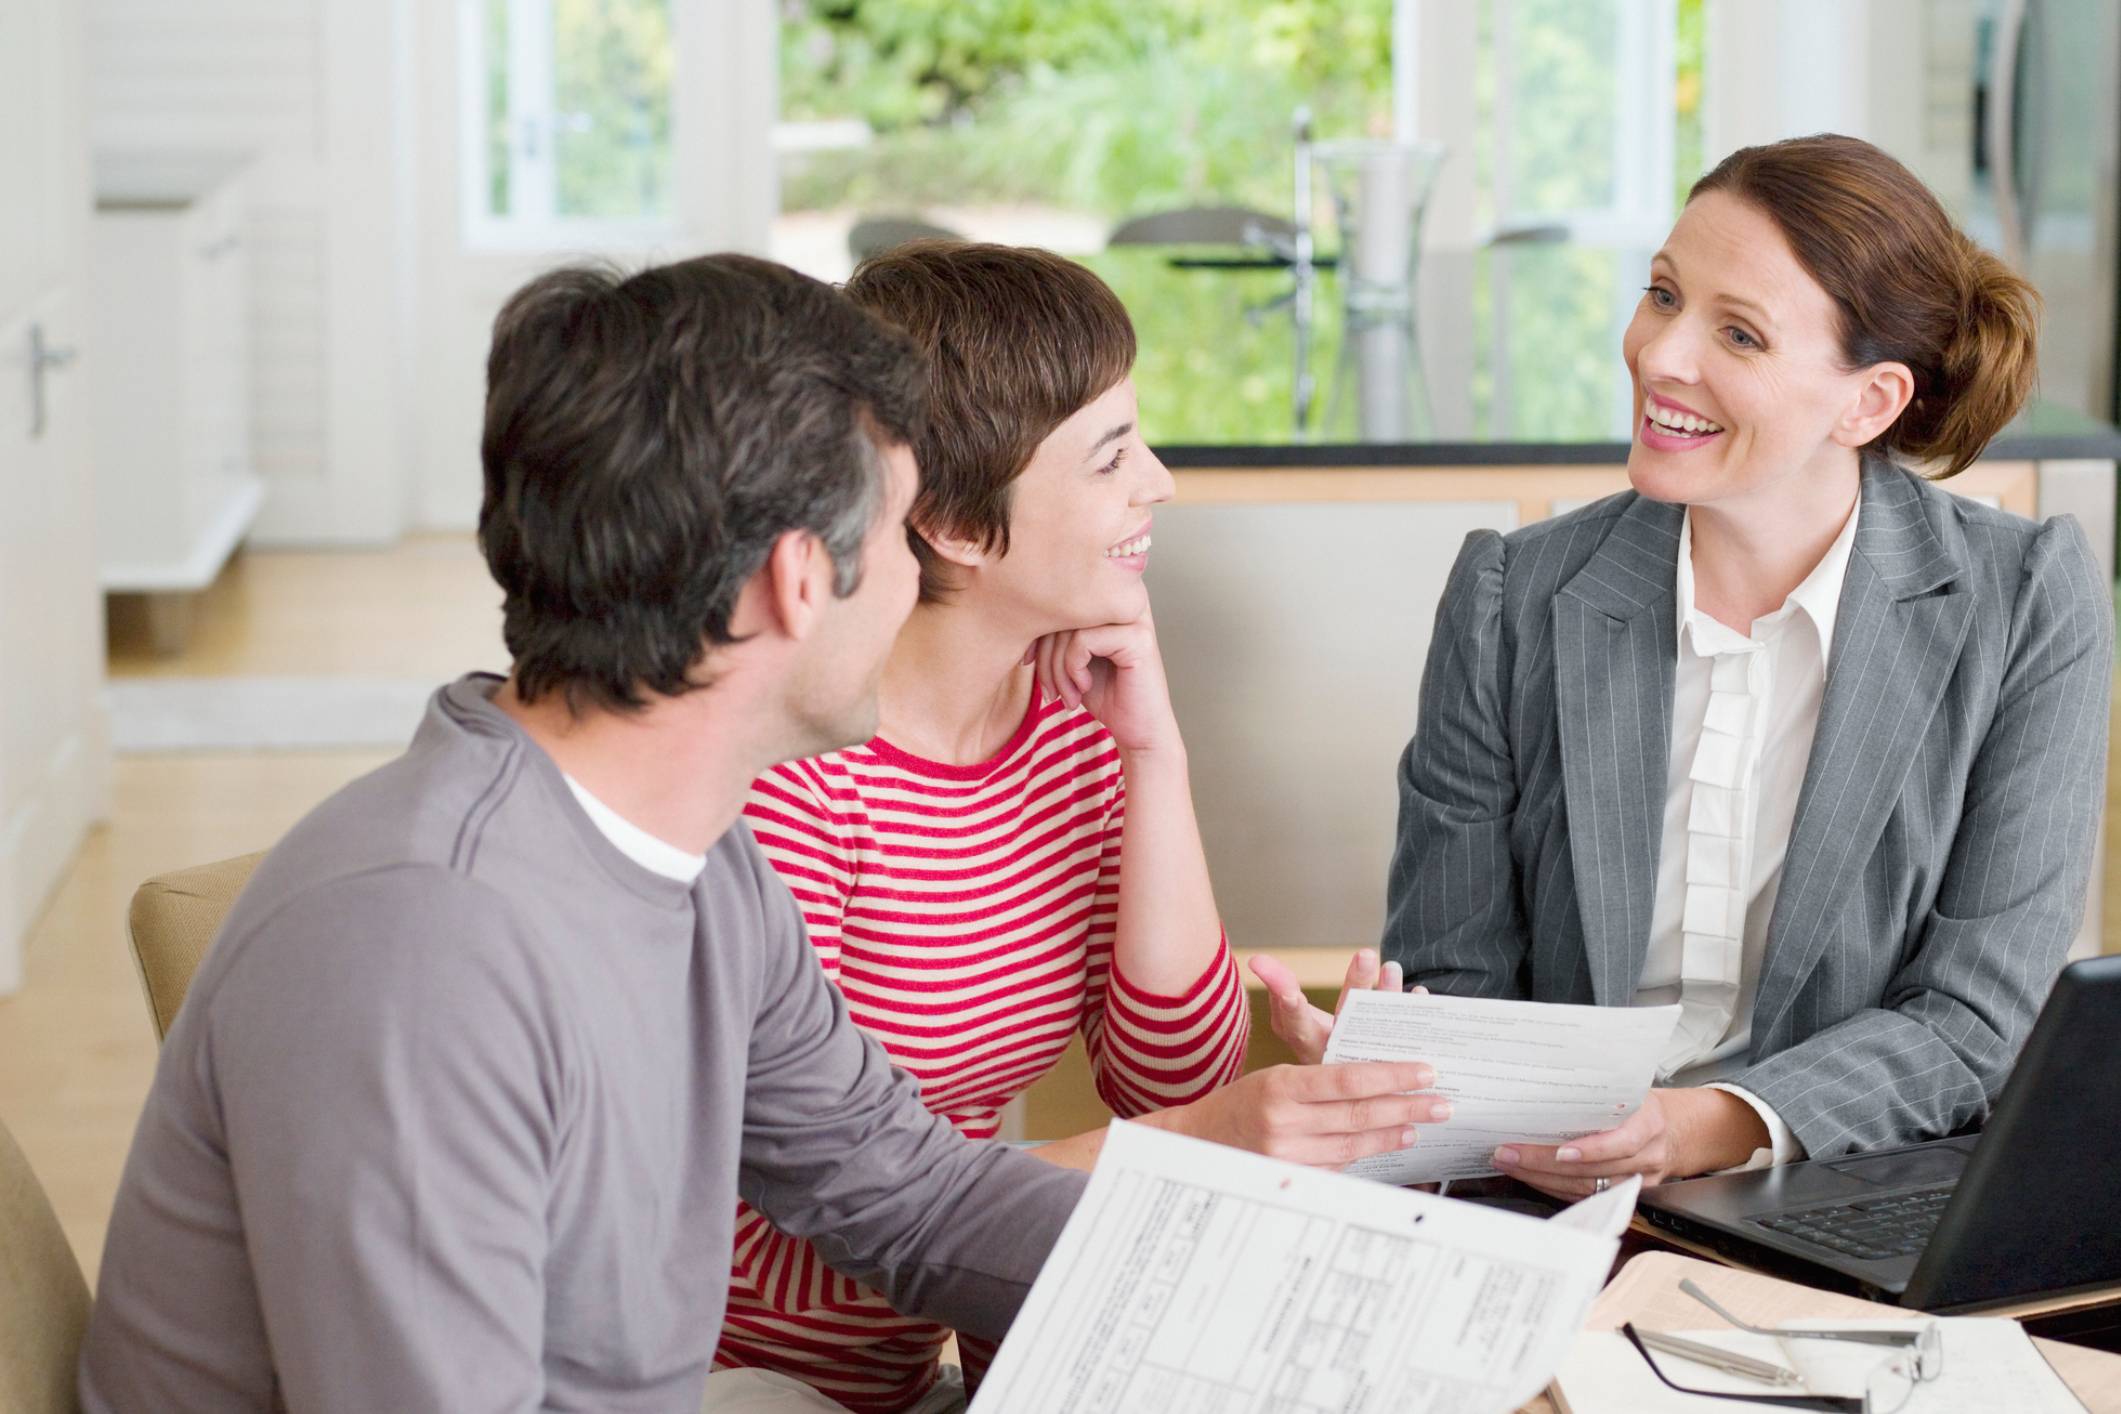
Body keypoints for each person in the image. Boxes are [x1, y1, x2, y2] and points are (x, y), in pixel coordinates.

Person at [74, 254, 1448, 1413]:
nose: (917, 579)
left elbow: (912, 1201)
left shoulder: (695, 861)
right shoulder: (420, 940)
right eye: (902, 535)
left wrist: (1276, 1226)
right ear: (800, 579)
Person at [709, 242, 1450, 1412]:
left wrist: (1156, 756)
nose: (1157, 482)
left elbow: (1172, 1077)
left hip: (951, 1348)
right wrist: (1204, 1144)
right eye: (1112, 458)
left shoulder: (1069, 724)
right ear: (950, 516)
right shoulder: (803, 775)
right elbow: (833, 1216)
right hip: (744, 1378)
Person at [1372, 134, 2111, 1198]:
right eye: (1664, 294)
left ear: (1869, 402)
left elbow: (1975, 1020)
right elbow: (1460, 978)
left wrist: (1696, 1126)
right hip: (1559, 1189)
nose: (1661, 355)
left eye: (1740, 333)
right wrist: (1401, 1055)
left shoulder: (2024, 601)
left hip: (1856, 1185)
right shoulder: (1510, 598)